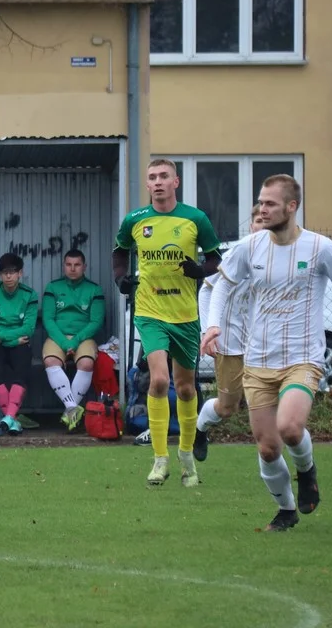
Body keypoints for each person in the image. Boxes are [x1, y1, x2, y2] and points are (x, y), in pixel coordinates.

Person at [201, 174, 332, 531]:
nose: (262, 208)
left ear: (292, 207)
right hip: (258, 361)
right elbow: (222, 284)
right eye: (260, 201)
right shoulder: (251, 246)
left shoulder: (320, 248)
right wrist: (212, 325)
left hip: (302, 358)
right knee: (268, 449)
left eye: (270, 203)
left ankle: (306, 469)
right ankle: (287, 510)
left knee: (290, 428)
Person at [112, 158, 222, 487]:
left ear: (176, 182)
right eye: (152, 177)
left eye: (164, 176)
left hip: (185, 315)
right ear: (147, 185)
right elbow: (119, 251)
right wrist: (121, 279)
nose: (158, 182)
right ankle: (160, 460)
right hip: (149, 311)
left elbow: (216, 258)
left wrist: (200, 270)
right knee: (159, 381)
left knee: (186, 387)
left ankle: (186, 455)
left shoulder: (195, 218)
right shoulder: (135, 220)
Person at [193, 203, 266, 460]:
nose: (263, 226)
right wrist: (207, 331)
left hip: (266, 345)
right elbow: (207, 289)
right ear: (251, 225)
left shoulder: (283, 257)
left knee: (268, 406)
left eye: (268, 221)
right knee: (227, 408)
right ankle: (200, 429)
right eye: (258, 221)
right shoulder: (237, 254)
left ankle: (273, 460)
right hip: (231, 342)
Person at [41, 248, 105, 432]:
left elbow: (96, 321)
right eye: (69, 264)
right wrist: (65, 343)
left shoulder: (94, 289)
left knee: (86, 363)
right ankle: (72, 408)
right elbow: (48, 319)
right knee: (51, 361)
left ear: (84, 267)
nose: (73, 268)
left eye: (77, 265)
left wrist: (75, 341)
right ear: (64, 266)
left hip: (83, 337)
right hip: (57, 336)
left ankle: (70, 412)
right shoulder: (53, 287)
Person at [0, 252, 39, 435]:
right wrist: (10, 337)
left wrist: (2, 336)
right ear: (0, 275)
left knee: (22, 371)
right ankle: (12, 418)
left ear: (20, 273)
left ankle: (9, 418)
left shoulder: (29, 295)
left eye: (12, 272)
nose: (8, 276)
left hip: (15, 343)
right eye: (5, 273)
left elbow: (28, 329)